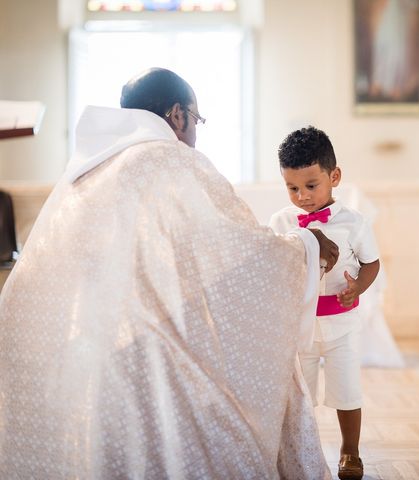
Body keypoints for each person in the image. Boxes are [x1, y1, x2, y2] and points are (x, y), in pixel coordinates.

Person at [0, 68, 338, 479]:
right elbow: (238, 247)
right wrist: (306, 248)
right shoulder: (170, 158)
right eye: (197, 119)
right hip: (147, 357)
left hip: (81, 359)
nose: (195, 131)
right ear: (177, 115)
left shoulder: (89, 170)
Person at [269, 126, 381, 480]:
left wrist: (358, 288)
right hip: (299, 327)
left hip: (342, 326)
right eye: (292, 188)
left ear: (334, 176)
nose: (302, 197)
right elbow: (274, 263)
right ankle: (297, 451)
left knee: (347, 390)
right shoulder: (281, 222)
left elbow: (371, 263)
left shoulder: (353, 223)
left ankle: (350, 450)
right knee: (299, 396)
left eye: (311, 186)